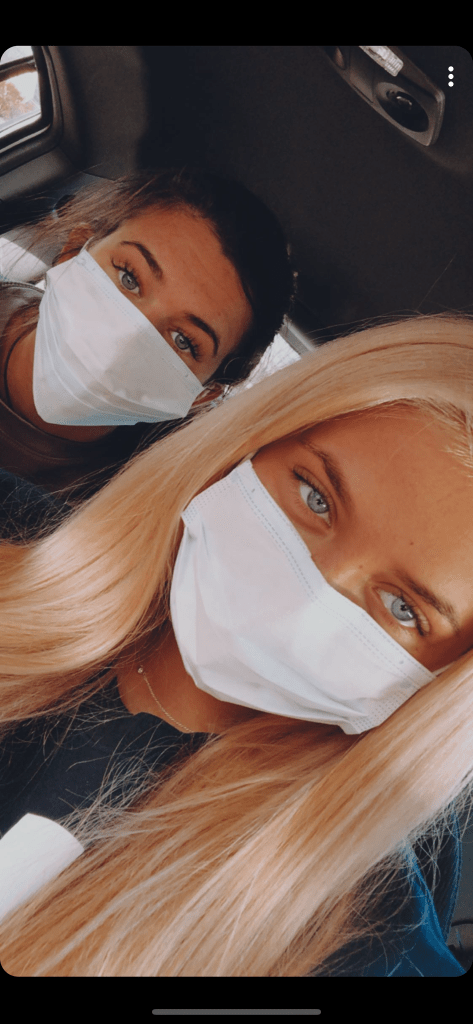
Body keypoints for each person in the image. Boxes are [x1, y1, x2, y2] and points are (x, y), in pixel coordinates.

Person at [0, 312, 472, 977]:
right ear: (251, 440)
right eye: (314, 497)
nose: (309, 589)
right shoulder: (16, 535)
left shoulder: (361, 937)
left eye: (403, 609)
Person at [0, 168, 294, 504]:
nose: (125, 339)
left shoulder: (138, 505)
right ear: (73, 251)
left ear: (202, 395)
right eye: (129, 278)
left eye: (183, 340)